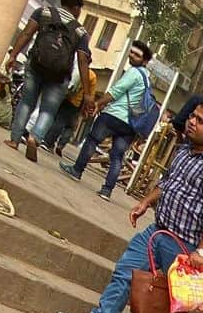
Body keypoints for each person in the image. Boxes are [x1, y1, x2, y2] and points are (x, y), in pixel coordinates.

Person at [54, 100, 203, 313]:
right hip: (157, 231)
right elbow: (167, 183)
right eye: (192, 116)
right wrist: (145, 203)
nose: (191, 121)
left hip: (185, 247)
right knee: (126, 272)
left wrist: (202, 253)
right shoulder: (183, 152)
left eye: (200, 121)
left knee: (176, 302)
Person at [61, 40, 153, 200]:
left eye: (137, 55)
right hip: (130, 124)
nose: (132, 56)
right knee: (117, 156)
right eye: (132, 52)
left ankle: (77, 170)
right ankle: (107, 190)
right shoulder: (147, 81)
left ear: (144, 61)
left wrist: (98, 103)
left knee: (92, 140)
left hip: (114, 115)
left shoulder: (134, 73)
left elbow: (116, 92)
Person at [3, 0, 92, 155]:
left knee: (27, 102)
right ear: (76, 8)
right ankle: (34, 138)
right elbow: (82, 61)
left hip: (36, 66)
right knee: (48, 110)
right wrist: (87, 93)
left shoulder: (43, 13)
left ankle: (14, 140)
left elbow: (27, 33)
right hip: (59, 76)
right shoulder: (80, 31)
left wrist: (13, 55)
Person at [42, 59, 99, 156]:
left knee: (59, 120)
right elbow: (91, 95)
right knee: (71, 126)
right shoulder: (92, 75)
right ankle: (59, 144)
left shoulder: (74, 68)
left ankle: (48, 141)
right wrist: (88, 108)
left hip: (64, 97)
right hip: (77, 104)